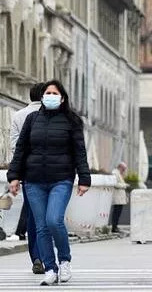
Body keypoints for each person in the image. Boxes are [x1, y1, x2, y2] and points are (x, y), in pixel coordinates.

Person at [7, 80, 91, 286]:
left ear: (62, 98)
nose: (50, 96)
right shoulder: (32, 119)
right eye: (47, 93)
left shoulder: (72, 121)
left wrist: (84, 178)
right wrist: (14, 176)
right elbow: (21, 150)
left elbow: (79, 151)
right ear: (42, 97)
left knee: (54, 220)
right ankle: (50, 268)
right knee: (41, 227)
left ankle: (64, 260)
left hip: (60, 179)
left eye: (54, 93)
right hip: (33, 180)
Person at [6, 82, 45, 274]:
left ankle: (37, 256)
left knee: (32, 214)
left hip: (29, 172)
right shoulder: (56, 116)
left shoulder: (18, 115)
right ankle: (49, 257)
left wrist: (17, 172)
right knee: (51, 217)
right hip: (53, 174)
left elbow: (14, 146)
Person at [110, 162, 128, 233]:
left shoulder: (119, 173)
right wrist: (124, 185)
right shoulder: (115, 173)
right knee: (116, 213)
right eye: (123, 169)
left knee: (118, 213)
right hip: (117, 197)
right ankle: (114, 227)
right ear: (120, 167)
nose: (124, 171)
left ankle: (115, 226)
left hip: (120, 197)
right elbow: (115, 184)